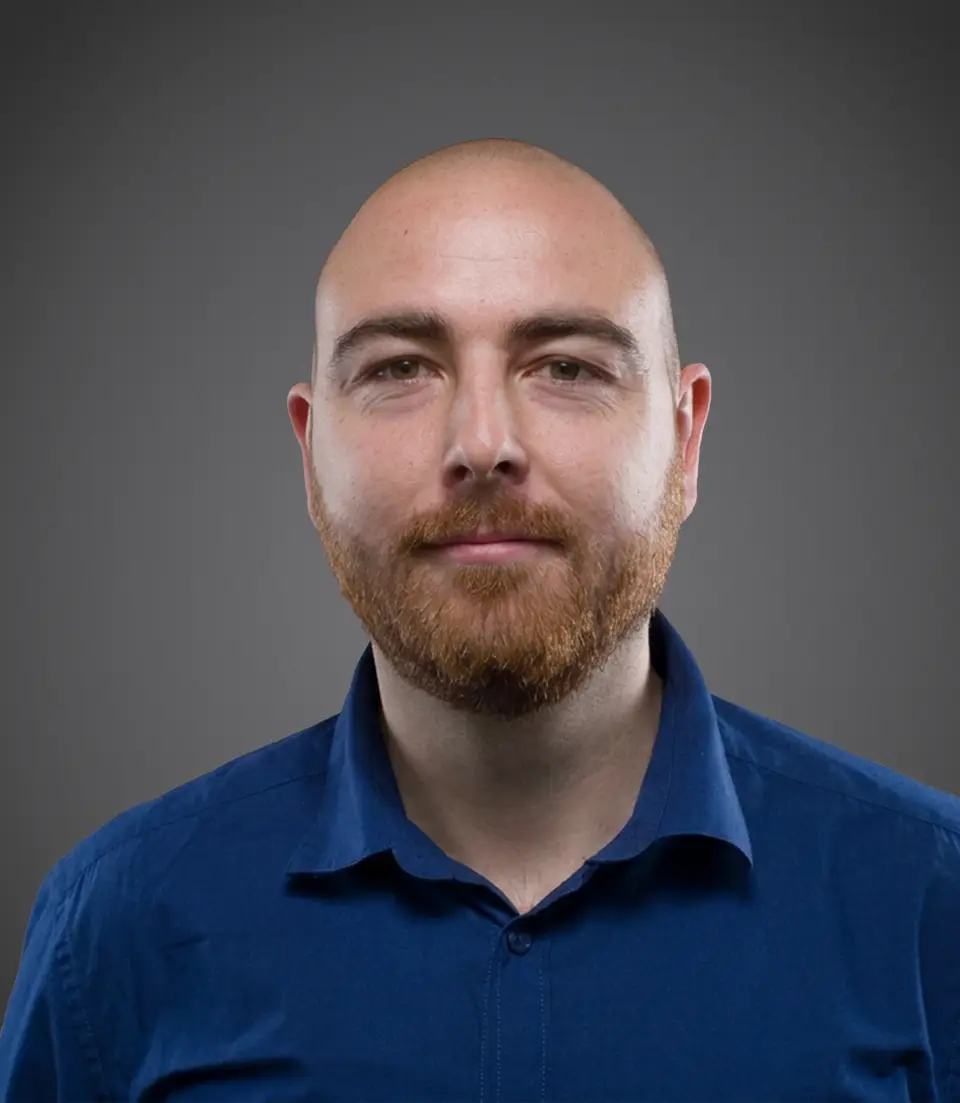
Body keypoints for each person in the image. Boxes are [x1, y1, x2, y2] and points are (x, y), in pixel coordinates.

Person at [1, 138, 958, 1103]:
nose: (484, 444)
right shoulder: (117, 925)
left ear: (685, 438)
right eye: (400, 368)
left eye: (568, 366)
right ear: (310, 456)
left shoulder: (930, 900)